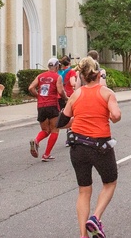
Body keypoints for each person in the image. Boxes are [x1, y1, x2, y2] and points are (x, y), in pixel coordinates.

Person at [58, 56, 121, 238]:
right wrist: (111, 114)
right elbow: (115, 116)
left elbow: (62, 121)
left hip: (77, 146)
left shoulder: (76, 95)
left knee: (84, 190)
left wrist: (77, 120)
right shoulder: (106, 93)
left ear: (83, 76)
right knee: (110, 183)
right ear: (98, 73)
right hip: (99, 145)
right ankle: (95, 217)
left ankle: (82, 235)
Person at [29, 57, 66, 162]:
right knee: (55, 129)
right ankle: (46, 154)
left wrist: (38, 96)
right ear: (57, 66)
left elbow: (31, 87)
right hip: (52, 105)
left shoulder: (40, 76)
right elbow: (60, 91)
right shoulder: (57, 77)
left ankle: (36, 140)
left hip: (41, 106)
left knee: (45, 130)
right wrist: (66, 98)